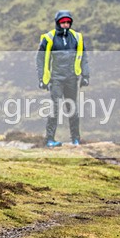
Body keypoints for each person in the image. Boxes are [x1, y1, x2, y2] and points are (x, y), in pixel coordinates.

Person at [36, 10, 90, 147]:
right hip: (56, 79)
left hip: (72, 78)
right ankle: (49, 139)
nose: (65, 25)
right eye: (62, 22)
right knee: (54, 107)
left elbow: (83, 57)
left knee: (72, 108)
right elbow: (40, 59)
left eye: (67, 22)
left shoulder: (77, 38)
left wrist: (85, 75)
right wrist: (42, 79)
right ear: (58, 23)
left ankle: (76, 139)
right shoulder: (49, 38)